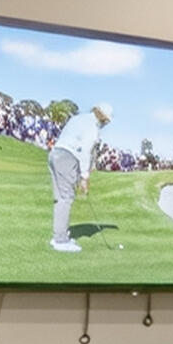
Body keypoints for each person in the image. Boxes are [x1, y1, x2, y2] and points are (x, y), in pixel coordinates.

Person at [47, 103, 111, 252]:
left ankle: (59, 234)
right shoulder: (93, 128)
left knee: (60, 197)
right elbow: (85, 152)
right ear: (104, 118)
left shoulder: (78, 118)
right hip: (67, 157)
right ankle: (60, 240)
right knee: (66, 198)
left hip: (54, 154)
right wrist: (84, 177)